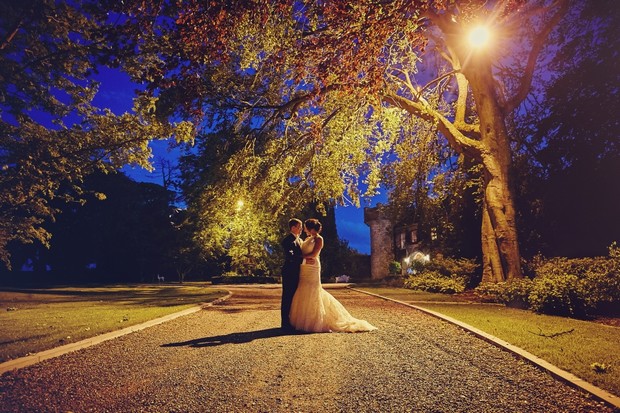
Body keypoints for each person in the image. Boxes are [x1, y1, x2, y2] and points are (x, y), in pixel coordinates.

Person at [289, 218, 377, 333]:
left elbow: (314, 254)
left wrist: (300, 258)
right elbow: (303, 252)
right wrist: (302, 258)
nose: (303, 229)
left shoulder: (319, 239)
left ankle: (315, 321)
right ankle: (302, 319)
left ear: (310, 228)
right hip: (304, 267)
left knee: (313, 290)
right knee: (303, 289)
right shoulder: (306, 239)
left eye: (305, 227)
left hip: (312, 267)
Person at [280, 218, 303, 331]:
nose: (301, 229)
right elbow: (290, 256)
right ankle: (284, 322)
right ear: (293, 228)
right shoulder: (287, 241)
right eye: (299, 227)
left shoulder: (299, 240)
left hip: (297, 272)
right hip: (289, 271)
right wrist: (304, 259)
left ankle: (291, 320)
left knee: (294, 297)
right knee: (287, 297)